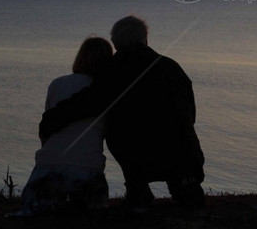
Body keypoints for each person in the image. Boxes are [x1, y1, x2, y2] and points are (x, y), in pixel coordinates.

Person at [39, 16, 205, 209]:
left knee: (121, 129)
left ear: (116, 43)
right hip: (180, 148)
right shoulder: (170, 66)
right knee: (177, 141)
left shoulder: (113, 68)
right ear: (145, 39)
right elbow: (190, 113)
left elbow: (88, 102)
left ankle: (137, 188)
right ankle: (184, 184)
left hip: (136, 149)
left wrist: (50, 119)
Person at [12, 36, 113, 217]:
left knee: (37, 214)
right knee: (89, 215)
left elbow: (47, 129)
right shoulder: (107, 91)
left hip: (48, 167)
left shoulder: (57, 84)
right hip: (87, 170)